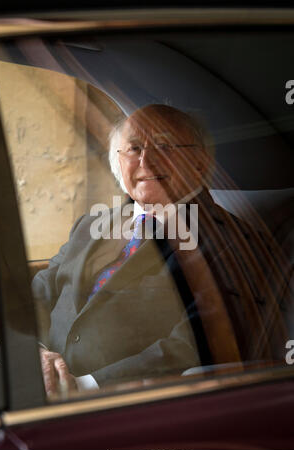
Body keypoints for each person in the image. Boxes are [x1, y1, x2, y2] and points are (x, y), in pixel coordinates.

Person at [32, 104, 289, 395]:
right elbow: (37, 293)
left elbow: (203, 339)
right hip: (40, 382)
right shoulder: (90, 225)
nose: (147, 160)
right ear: (118, 162)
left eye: (165, 145)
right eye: (134, 148)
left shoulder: (232, 240)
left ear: (199, 162)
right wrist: (35, 354)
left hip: (122, 404)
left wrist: (87, 385)